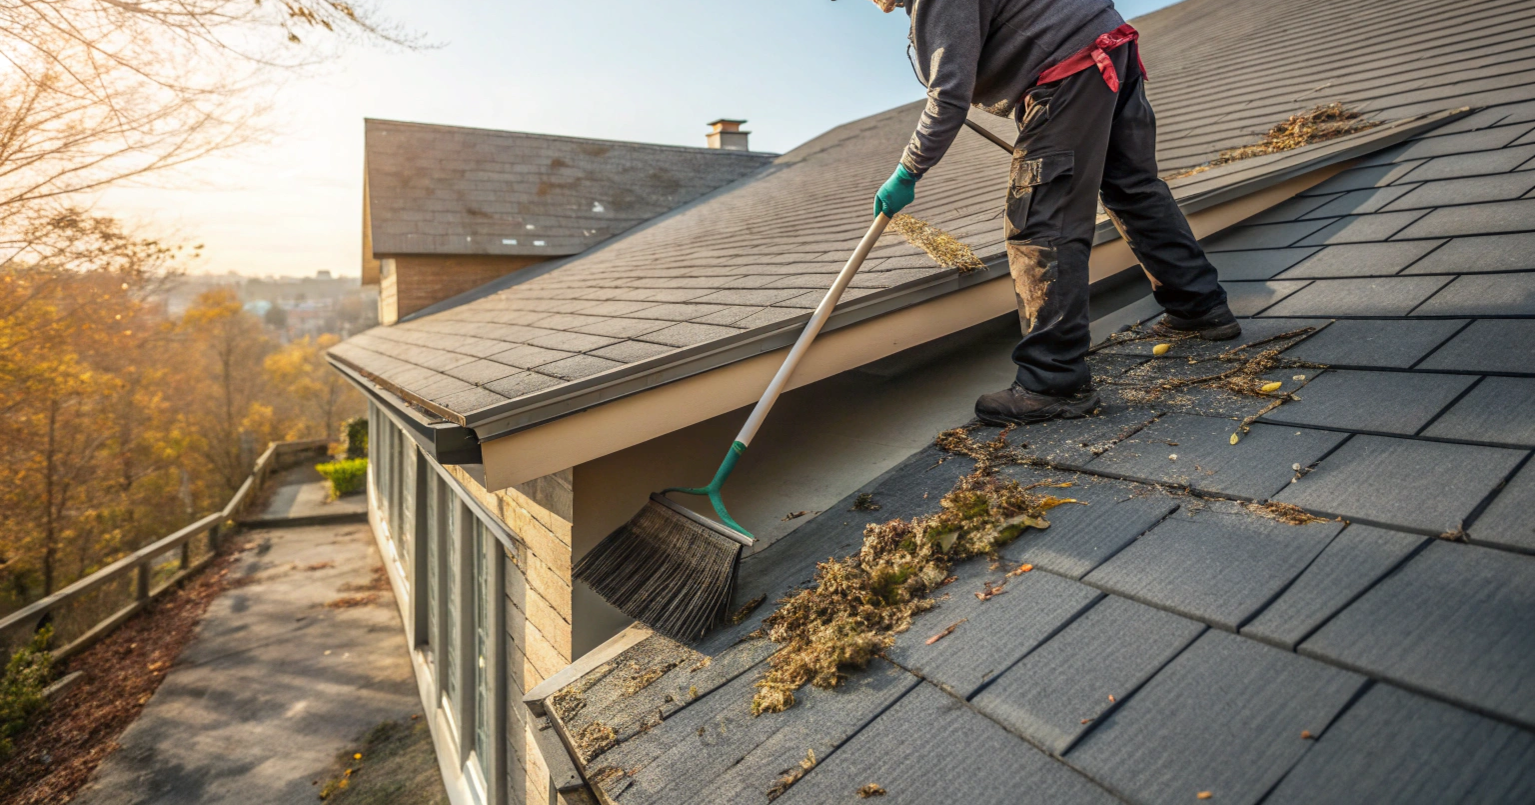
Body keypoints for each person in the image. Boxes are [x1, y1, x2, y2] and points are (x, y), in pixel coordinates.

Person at [864, 0, 1240, 425]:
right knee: (1132, 188)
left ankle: (1052, 381)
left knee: (1040, 223)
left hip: (1069, 71)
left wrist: (908, 172)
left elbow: (949, 95)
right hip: (1107, 48)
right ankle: (1200, 308)